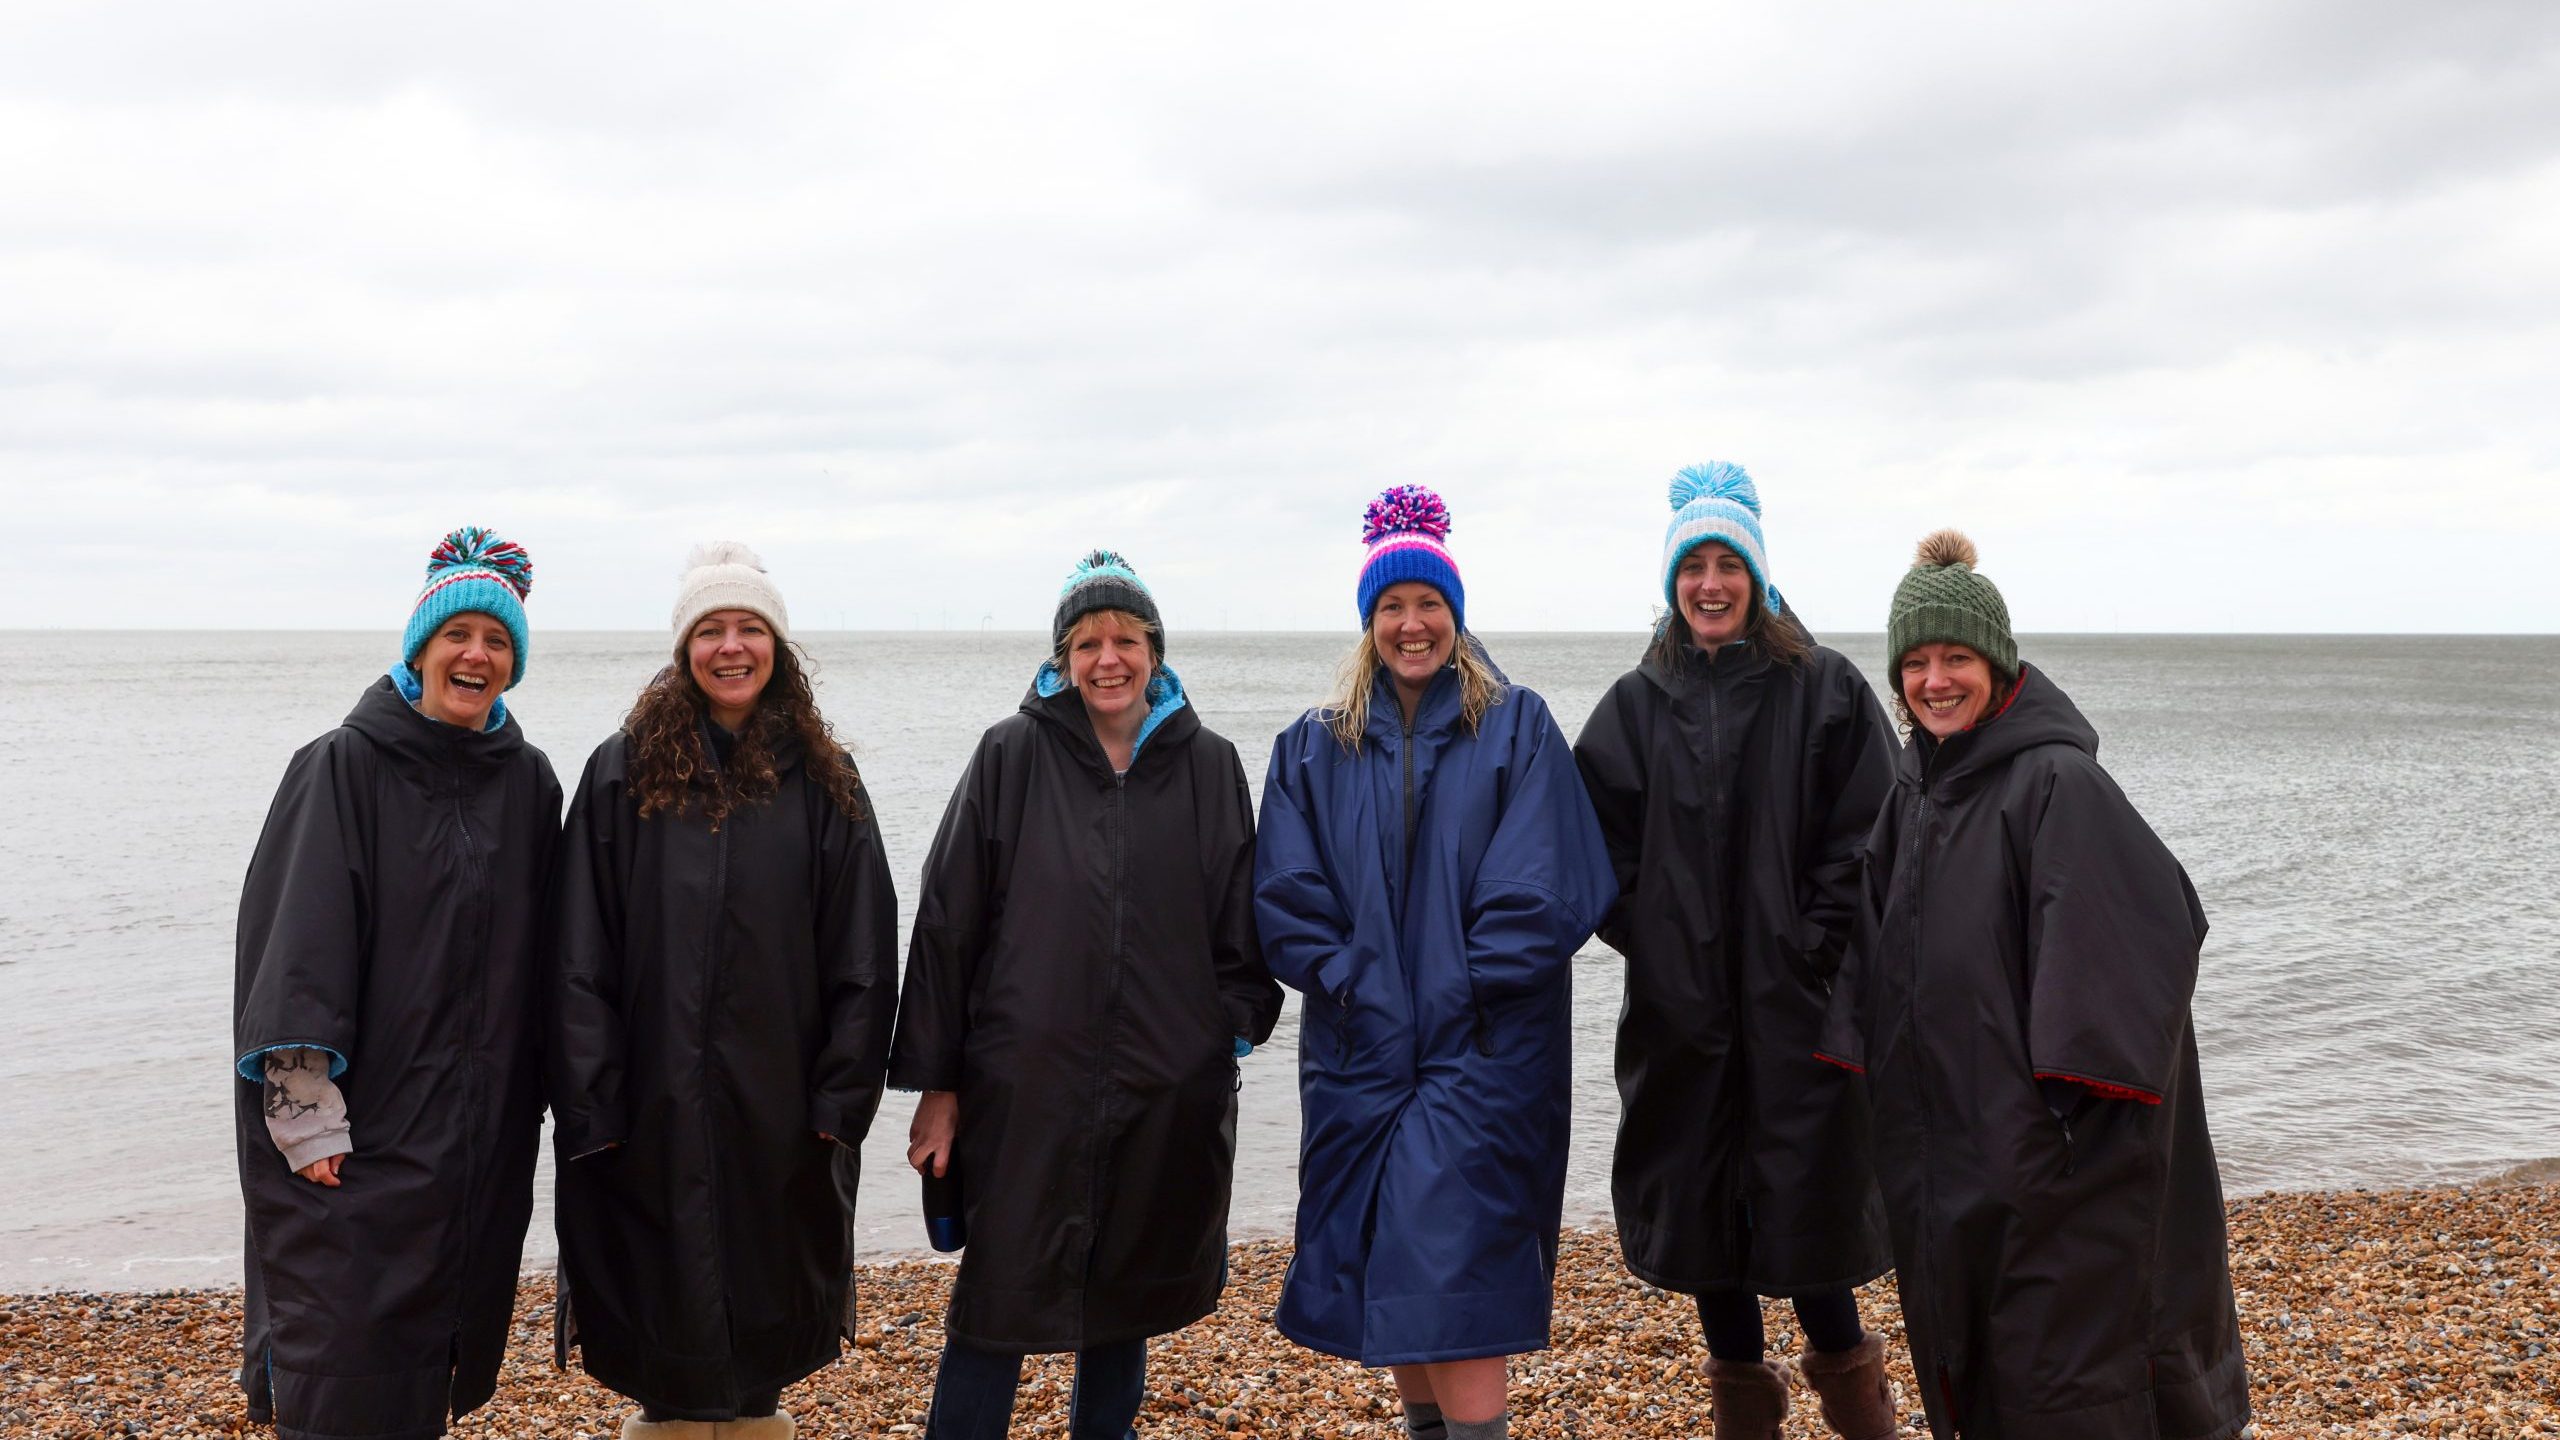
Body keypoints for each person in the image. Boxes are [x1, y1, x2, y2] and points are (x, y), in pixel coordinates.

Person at [1817, 530, 2250, 1438]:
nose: (1936, 681)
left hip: (2055, 1170)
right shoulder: (1915, 796)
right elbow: (1877, 957)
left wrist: (2056, 1125)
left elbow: (2149, 934)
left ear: (1999, 664)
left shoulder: (2056, 783)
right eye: (1918, 663)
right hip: (1952, 1164)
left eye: (1958, 658)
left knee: (2075, 1387)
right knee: (1979, 1377)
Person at [891, 549, 1282, 1440]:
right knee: (993, 1306)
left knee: (1125, 1301)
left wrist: (1218, 1041)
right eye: (1088, 642)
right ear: (1062, 657)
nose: (1109, 658)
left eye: (1126, 639)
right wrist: (938, 1090)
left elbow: (1241, 924)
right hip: (1024, 1092)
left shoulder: (1207, 763)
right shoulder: (1011, 754)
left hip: (1161, 1089)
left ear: (1156, 650)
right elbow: (948, 923)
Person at [1254, 487, 1617, 1440]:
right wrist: (1351, 983)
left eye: (1429, 604)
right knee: (1387, 1257)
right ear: (1369, 621)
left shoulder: (1518, 728)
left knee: (1459, 1267)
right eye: (1391, 607)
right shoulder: (1311, 746)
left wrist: (1453, 990)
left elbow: (1547, 888)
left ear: (1457, 614)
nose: (1411, 625)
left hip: (1484, 1055)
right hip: (1358, 1049)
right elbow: (1287, 897)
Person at [1571, 463, 1899, 1440]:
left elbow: (1870, 831)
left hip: (1801, 1017)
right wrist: (1656, 941)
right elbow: (1591, 850)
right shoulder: (1635, 705)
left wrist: (1810, 943)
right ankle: (1744, 1421)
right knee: (1712, 1233)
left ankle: (1861, 1414)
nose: (1709, 584)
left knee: (1813, 1233)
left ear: (1755, 577)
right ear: (1672, 580)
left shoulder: (1825, 690)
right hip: (1684, 1024)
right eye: (1693, 567)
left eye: (1727, 565)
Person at [550, 542, 900, 1440]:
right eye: (712, 629)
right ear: (684, 649)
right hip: (646, 1107)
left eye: (750, 628)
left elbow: (863, 954)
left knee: (766, 1317)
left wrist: (840, 1099)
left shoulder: (826, 782)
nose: (732, 646)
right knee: (656, 1315)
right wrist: (591, 1101)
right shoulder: (623, 772)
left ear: (778, 648)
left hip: (780, 1110)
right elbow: (577, 950)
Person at [233, 526, 559, 1440]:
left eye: (497, 641)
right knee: (337, 1368)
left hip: (472, 1145)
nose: (477, 654)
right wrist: (303, 1112)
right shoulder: (342, 766)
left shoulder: (528, 784)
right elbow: (296, 945)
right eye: (458, 634)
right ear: (418, 651)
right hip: (357, 1140)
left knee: (427, 1367)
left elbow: (551, 958)